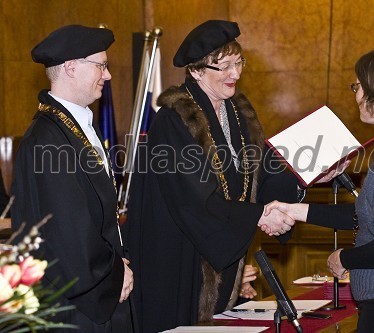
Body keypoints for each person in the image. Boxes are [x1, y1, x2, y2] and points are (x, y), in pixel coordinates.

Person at [124, 20, 338, 332]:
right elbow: (194, 200)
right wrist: (259, 215)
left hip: (223, 253)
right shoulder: (172, 122)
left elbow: (262, 173)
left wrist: (306, 173)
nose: (235, 74)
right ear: (197, 71)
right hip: (180, 258)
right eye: (223, 66)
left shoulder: (238, 112)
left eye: (238, 63)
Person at [264, 46, 374, 333]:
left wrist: (343, 258)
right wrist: (294, 211)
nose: (356, 95)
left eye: (358, 86)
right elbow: (371, 215)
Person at [11, 25, 134, 332]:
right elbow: (68, 234)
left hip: (95, 301)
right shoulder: (47, 140)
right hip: (79, 309)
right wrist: (115, 275)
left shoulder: (73, 128)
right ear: (70, 68)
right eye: (101, 65)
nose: (107, 75)